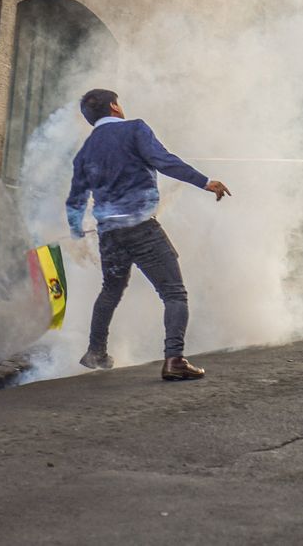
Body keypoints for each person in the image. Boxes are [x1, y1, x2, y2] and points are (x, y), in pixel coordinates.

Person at [66, 89, 230, 381]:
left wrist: (77, 230)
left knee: (110, 290)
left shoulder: (87, 149)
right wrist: (205, 182)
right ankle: (174, 360)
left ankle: (95, 352)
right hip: (141, 228)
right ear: (115, 107)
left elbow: (76, 199)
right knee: (174, 293)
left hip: (109, 233)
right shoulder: (135, 129)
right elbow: (163, 160)